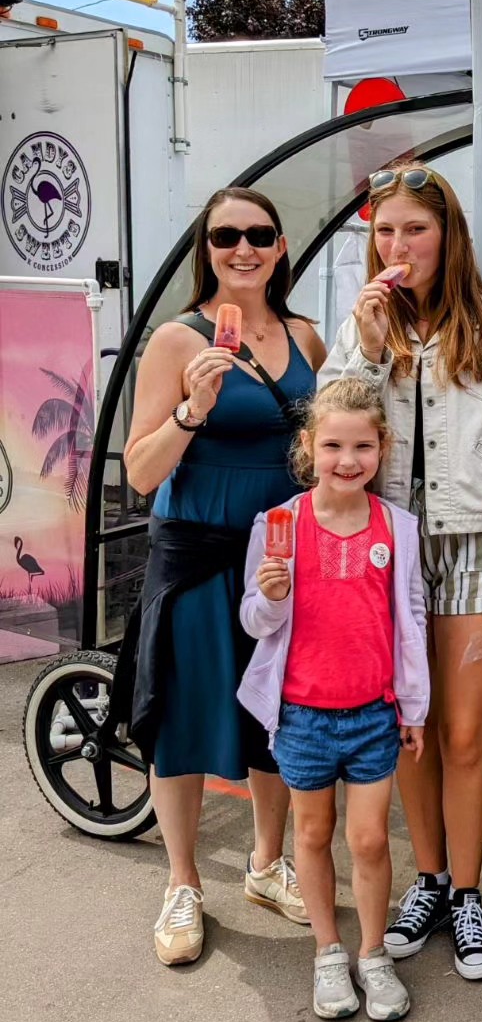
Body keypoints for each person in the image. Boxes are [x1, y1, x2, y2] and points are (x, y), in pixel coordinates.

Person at [321, 163, 482, 980]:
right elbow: (332, 426)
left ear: (448, 235)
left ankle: (466, 891)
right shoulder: (363, 326)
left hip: (474, 545)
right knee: (408, 727)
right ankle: (426, 880)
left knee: (462, 734)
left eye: (415, 229)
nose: (398, 246)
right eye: (385, 231)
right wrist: (369, 348)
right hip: (387, 548)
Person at [123, 187, 325, 965]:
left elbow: (328, 443)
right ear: (205, 249)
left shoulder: (305, 337)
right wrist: (192, 410)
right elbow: (141, 472)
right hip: (201, 554)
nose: (243, 248)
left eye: (259, 234)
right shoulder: (178, 340)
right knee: (182, 716)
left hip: (279, 559)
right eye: (225, 235)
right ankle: (182, 882)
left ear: (280, 247)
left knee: (277, 718)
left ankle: (267, 865)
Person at [238, 378, 429, 1022]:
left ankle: (373, 952)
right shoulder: (279, 525)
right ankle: (327, 950)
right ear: (308, 446)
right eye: (333, 446)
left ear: (383, 448)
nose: (348, 460)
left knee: (370, 840)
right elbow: (254, 622)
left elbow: (411, 621)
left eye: (362, 447)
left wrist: (414, 708)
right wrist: (272, 596)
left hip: (374, 714)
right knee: (313, 834)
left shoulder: (398, 528)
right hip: (302, 716)